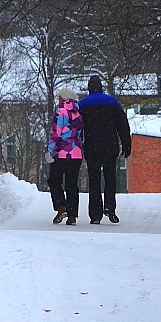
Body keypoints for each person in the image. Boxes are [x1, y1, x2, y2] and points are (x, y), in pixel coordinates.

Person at [78, 75, 131, 225]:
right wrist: (126, 145)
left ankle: (95, 214)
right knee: (110, 177)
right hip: (110, 144)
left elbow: (76, 127)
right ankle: (110, 208)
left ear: (89, 88)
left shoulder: (83, 105)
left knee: (93, 179)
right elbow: (123, 124)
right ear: (101, 87)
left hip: (91, 145)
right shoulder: (112, 102)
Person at [46, 86, 85, 225]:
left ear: (64, 98)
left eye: (59, 97)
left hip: (61, 152)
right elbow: (81, 135)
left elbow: (56, 133)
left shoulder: (61, 112)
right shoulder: (79, 114)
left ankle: (61, 206)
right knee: (72, 184)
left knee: (54, 180)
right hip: (76, 153)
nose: (58, 99)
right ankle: (72, 215)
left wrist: (49, 149)